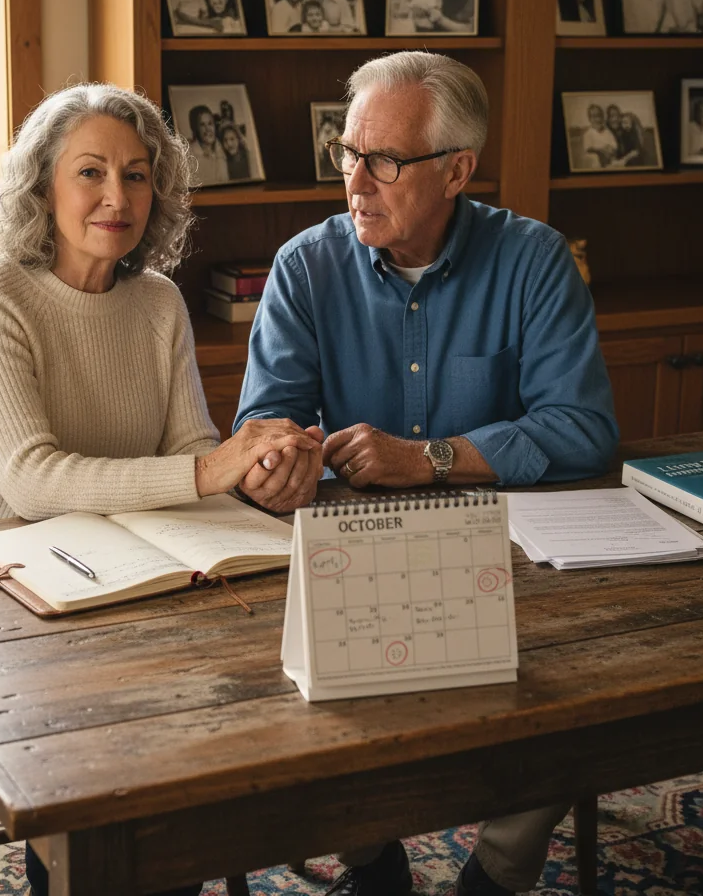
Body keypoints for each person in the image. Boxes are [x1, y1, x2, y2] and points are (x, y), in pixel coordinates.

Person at [232, 51, 618, 896]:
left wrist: (432, 458)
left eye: (385, 160)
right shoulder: (306, 267)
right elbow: (259, 431)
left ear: (457, 170)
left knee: (582, 683)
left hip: (509, 553)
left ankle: (500, 872)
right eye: (347, 153)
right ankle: (373, 861)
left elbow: (585, 430)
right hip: (352, 548)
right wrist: (274, 466)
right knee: (299, 679)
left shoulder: (534, 261)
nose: (356, 179)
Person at [0, 83, 319, 895]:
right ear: (42, 188)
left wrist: (260, 478)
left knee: (244, 694)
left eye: (137, 175)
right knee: (88, 753)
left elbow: (189, 451)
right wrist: (214, 470)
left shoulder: (159, 301)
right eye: (90, 172)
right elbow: (31, 479)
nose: (116, 196)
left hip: (128, 563)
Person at [187, 104, 229, 185]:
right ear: (196, 129)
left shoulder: (224, 148)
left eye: (210, 123)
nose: (208, 129)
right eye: (202, 125)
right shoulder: (189, 156)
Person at [580, 104, 617, 168]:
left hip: (609, 160)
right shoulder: (588, 134)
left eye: (600, 116)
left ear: (603, 117)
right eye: (594, 117)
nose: (598, 119)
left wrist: (611, 149)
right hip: (597, 162)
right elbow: (588, 149)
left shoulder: (608, 132)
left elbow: (614, 146)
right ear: (589, 119)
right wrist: (601, 150)